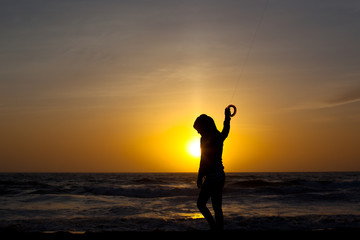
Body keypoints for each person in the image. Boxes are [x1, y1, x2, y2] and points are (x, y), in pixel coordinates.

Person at [193, 107, 231, 231]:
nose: (198, 132)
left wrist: (200, 177)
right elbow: (225, 131)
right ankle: (217, 229)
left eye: (199, 129)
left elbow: (203, 160)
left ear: (204, 127)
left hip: (214, 177)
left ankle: (214, 228)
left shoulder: (211, 138)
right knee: (216, 207)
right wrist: (227, 117)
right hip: (219, 175)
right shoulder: (212, 137)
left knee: (201, 204)